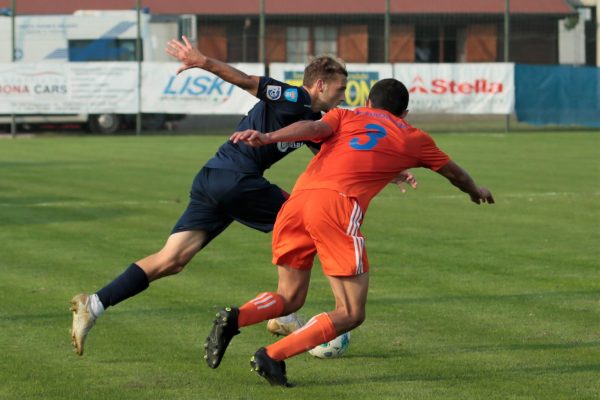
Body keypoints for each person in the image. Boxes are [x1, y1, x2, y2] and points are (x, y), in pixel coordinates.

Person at [68, 36, 351, 356]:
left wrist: (388, 169)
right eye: (340, 89)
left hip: (214, 177)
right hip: (237, 178)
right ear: (321, 85)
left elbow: (330, 150)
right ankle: (284, 314)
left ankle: (94, 304)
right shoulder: (295, 97)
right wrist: (203, 62)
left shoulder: (312, 119)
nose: (343, 96)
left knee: (172, 260)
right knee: (303, 219)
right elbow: (246, 81)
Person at [205, 78, 494, 387]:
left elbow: (314, 129)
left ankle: (236, 318)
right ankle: (272, 355)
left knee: (289, 297)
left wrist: (268, 136)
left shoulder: (347, 115)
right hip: (335, 207)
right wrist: (474, 190)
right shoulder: (414, 137)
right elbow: (455, 173)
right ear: (405, 113)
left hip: (296, 203)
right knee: (351, 312)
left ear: (368, 103)